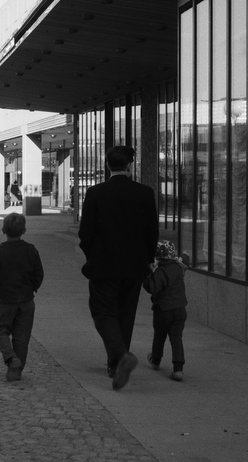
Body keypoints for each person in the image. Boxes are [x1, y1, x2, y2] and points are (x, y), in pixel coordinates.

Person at [78, 144, 158, 391]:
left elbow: (86, 233)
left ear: (107, 166)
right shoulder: (145, 193)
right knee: (125, 314)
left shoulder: (96, 193)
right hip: (134, 267)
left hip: (104, 265)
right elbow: (151, 231)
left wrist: (93, 256)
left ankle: (120, 357)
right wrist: (147, 259)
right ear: (130, 166)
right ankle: (115, 363)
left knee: (103, 312)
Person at [0, 212, 45, 382]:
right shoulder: (31, 250)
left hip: (6, 299)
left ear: (4, 230)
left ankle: (11, 358)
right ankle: (16, 371)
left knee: (0, 329)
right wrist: (33, 288)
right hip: (26, 299)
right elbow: (38, 273)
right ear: (23, 230)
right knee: (22, 337)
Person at [144, 239, 188, 382]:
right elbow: (184, 260)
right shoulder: (178, 267)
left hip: (163, 309)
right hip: (180, 309)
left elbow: (151, 287)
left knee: (160, 335)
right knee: (176, 338)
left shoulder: (161, 271)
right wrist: (183, 256)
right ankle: (178, 369)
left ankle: (156, 360)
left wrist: (148, 273)